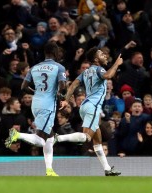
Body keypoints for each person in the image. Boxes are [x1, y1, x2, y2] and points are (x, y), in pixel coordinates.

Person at [56, 47, 123, 176]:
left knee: (97, 141)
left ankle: (107, 169)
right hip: (92, 107)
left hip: (85, 106)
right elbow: (108, 75)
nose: (104, 56)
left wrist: (65, 100)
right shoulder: (99, 69)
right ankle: (57, 138)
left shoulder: (85, 72)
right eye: (101, 54)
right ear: (96, 59)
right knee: (86, 138)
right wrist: (116, 63)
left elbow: (74, 84)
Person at [4, 42, 66, 176]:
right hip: (48, 105)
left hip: (36, 103)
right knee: (41, 139)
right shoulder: (59, 67)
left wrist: (37, 92)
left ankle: (49, 169)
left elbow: (24, 87)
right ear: (55, 52)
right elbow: (62, 85)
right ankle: (16, 135)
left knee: (50, 137)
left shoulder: (34, 68)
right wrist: (59, 96)